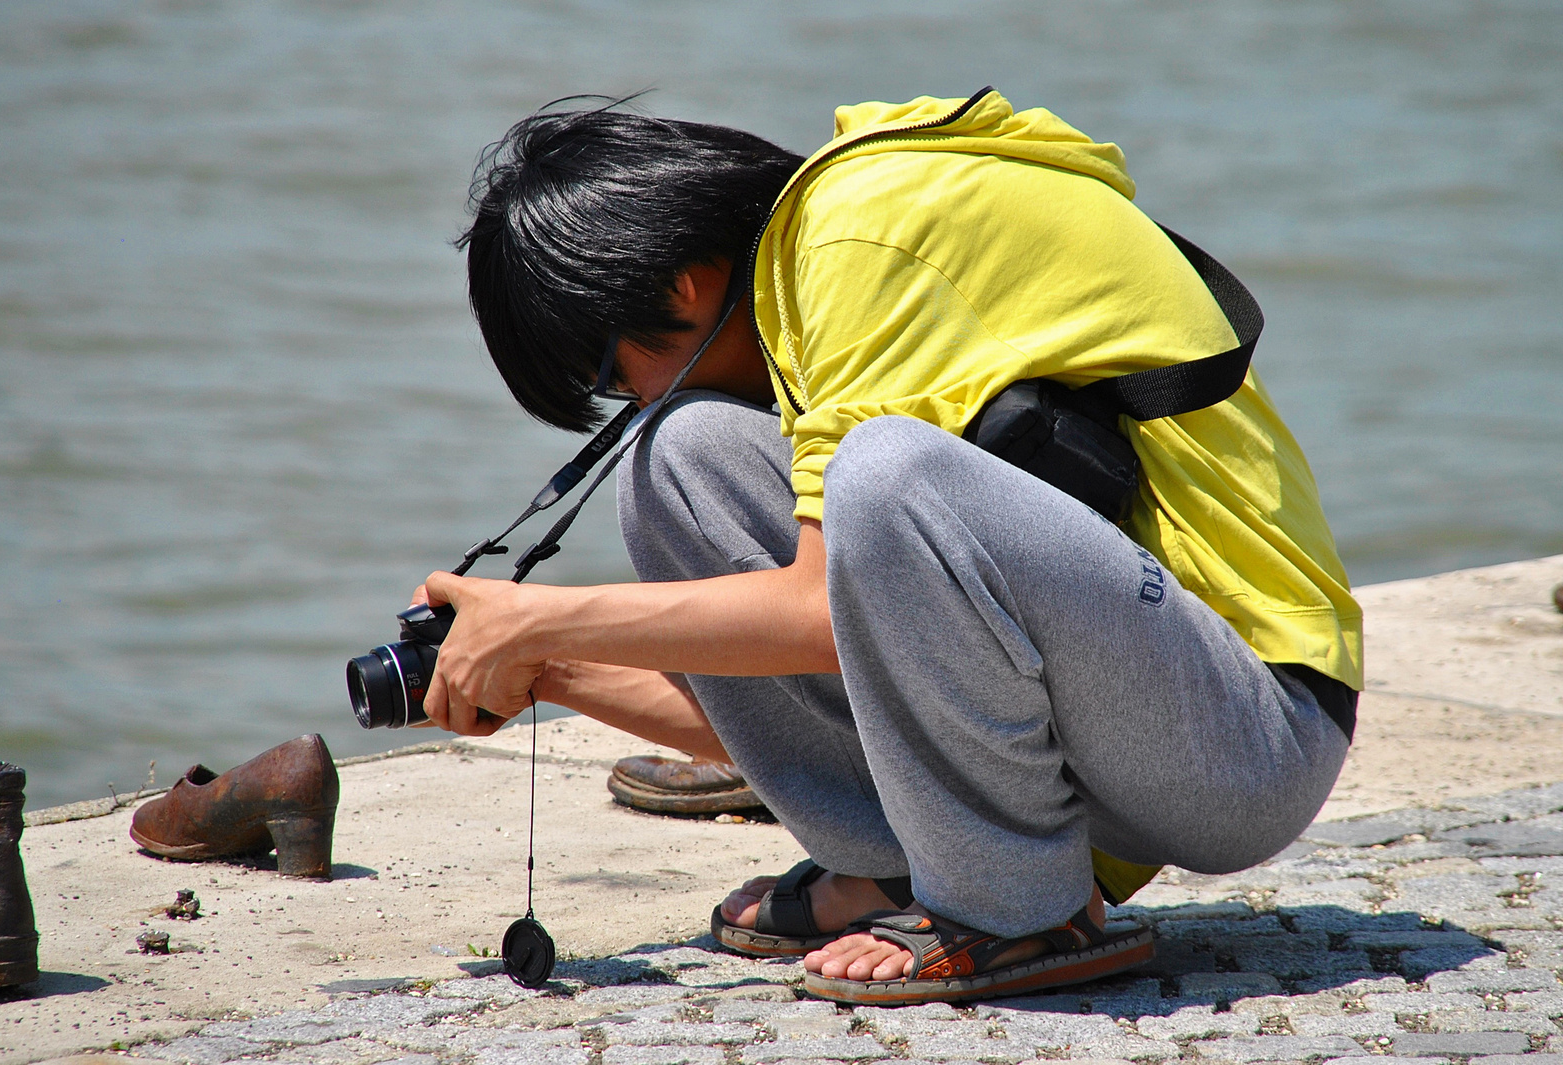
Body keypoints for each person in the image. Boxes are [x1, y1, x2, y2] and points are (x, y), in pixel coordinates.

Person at [413, 89, 1363, 1005]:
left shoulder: (857, 238)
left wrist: (539, 610)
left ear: (681, 286)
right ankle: (911, 865)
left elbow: (818, 611)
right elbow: (817, 691)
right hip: (1120, 733)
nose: (637, 403)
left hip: (1248, 731)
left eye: (614, 375)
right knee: (679, 462)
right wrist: (546, 666)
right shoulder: (799, 275)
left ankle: (1013, 907)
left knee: (886, 471)